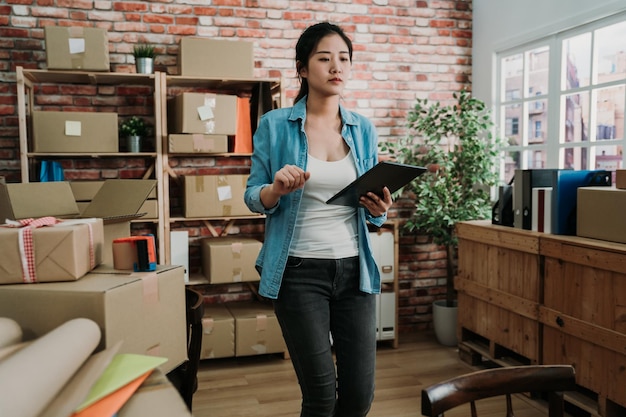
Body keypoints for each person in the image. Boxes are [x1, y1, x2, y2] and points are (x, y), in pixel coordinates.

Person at [244, 22, 392, 417]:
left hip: (354, 272)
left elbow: (371, 207)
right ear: (303, 68)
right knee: (322, 398)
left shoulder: (363, 128)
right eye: (324, 58)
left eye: (343, 58)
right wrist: (275, 190)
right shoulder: (275, 125)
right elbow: (251, 195)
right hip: (298, 272)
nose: (335, 66)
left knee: (359, 398)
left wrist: (378, 210)